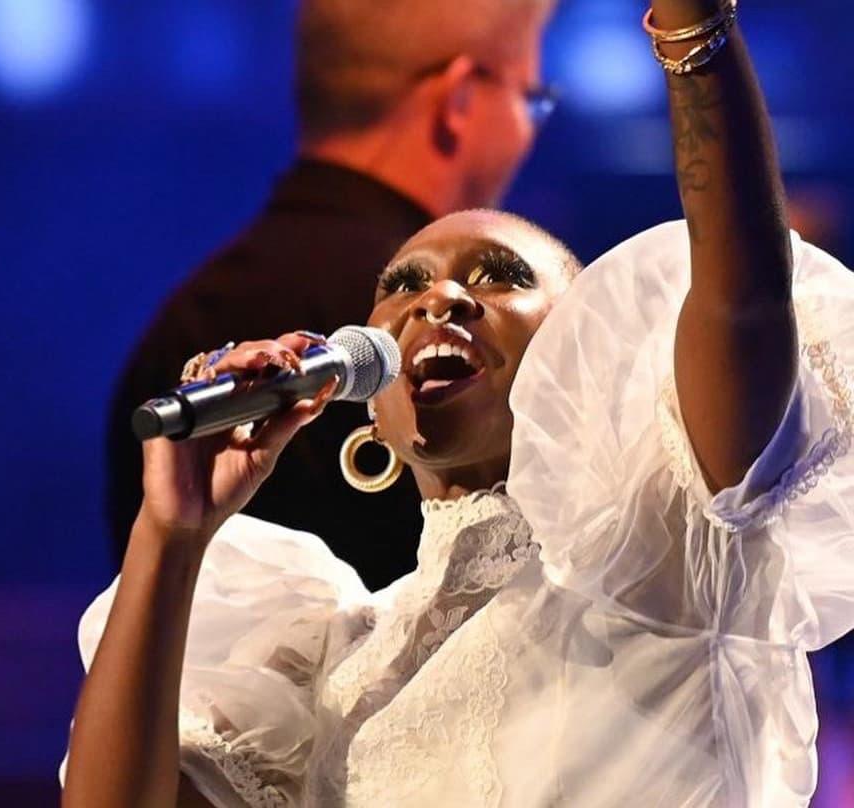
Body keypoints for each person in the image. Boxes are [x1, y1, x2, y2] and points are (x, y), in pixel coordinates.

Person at [64, 1, 854, 805]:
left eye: (500, 276)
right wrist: (174, 534)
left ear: (588, 356)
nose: (437, 298)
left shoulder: (668, 549)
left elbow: (744, 297)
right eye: (400, 286)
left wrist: (694, 29)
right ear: (370, 409)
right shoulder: (337, 659)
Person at [104, 0, 560, 588]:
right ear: (460, 100)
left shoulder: (180, 319)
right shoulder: (455, 334)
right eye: (531, 99)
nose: (438, 301)